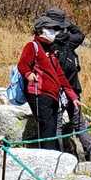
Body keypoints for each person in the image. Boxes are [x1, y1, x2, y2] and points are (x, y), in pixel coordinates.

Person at [17, 13, 74, 153]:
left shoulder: (51, 51)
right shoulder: (32, 46)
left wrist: (72, 96)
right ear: (40, 30)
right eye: (51, 28)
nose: (54, 32)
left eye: (56, 29)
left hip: (52, 95)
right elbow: (22, 64)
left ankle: (49, 154)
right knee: (47, 126)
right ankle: (48, 155)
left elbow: (60, 75)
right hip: (38, 92)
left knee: (51, 127)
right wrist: (29, 74)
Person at [44, 7, 91, 160]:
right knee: (79, 122)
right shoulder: (70, 40)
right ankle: (90, 154)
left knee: (57, 124)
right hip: (74, 88)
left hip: (57, 90)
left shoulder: (48, 42)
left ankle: (59, 157)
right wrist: (68, 24)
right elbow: (80, 34)